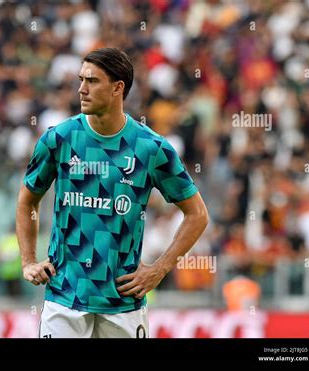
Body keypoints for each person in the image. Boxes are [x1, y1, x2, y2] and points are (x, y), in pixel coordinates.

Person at [16, 48, 209, 338]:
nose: (81, 89)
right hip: (65, 298)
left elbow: (197, 214)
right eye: (81, 80)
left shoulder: (150, 148)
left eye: (92, 81)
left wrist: (159, 269)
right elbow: (27, 201)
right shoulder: (59, 139)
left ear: (118, 88)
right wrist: (28, 261)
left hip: (123, 304)